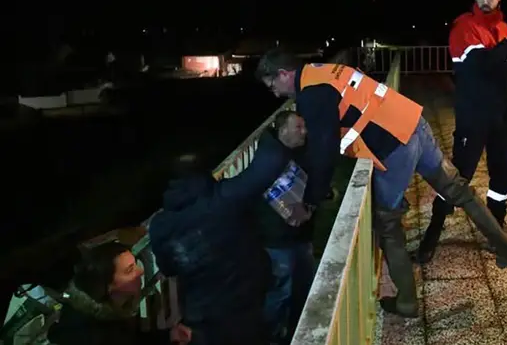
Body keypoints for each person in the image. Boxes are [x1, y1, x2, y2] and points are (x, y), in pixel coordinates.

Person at [255, 52, 507, 319]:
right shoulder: (322, 70)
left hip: (394, 147)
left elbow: (323, 151)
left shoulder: (311, 94)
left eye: (273, 86)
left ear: (283, 74)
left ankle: (406, 301)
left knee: (387, 225)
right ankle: (506, 251)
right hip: (412, 123)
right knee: (459, 191)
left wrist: (310, 200)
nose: (277, 94)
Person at [418, 0, 507, 264]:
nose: (484, 0)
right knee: (458, 175)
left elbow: (505, 69)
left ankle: (497, 231)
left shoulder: (503, 28)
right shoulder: (464, 27)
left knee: (502, 173)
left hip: (502, 113)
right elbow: (480, 65)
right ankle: (432, 234)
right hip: (474, 113)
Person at [148, 133, 294, 345]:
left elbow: (168, 268)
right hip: (244, 308)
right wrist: (272, 133)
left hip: (200, 319)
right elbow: (270, 162)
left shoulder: (160, 225)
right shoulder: (224, 198)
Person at [47, 242, 191, 345]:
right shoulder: (95, 335)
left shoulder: (115, 310)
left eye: (135, 264)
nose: (141, 272)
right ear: (107, 287)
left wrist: (169, 336)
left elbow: (136, 336)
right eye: (129, 270)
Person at [257, 111, 316, 344]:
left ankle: (299, 333)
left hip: (299, 236)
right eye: (299, 127)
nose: (305, 132)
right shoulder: (270, 161)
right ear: (283, 131)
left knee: (303, 287)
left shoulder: (293, 153)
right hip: (278, 241)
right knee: (281, 292)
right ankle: (272, 337)